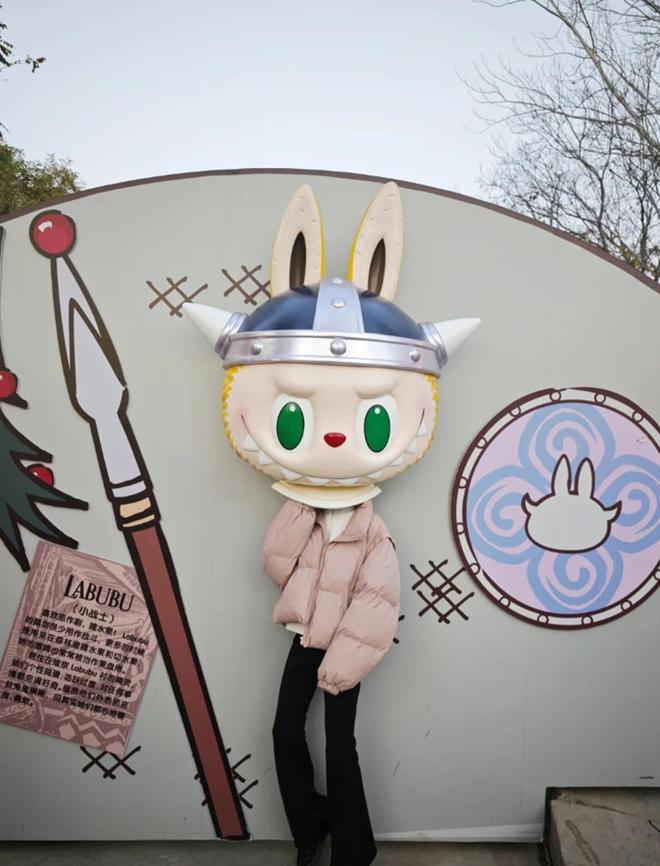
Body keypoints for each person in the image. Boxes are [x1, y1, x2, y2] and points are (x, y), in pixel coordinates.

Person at [184, 180, 480, 864]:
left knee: (340, 742)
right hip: (305, 635)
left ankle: (354, 848)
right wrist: (301, 504)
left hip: (345, 648)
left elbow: (376, 608)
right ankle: (311, 827)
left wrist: (341, 664)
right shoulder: (308, 515)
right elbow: (275, 565)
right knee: (285, 732)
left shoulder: (375, 533)